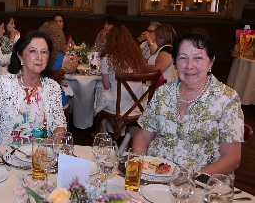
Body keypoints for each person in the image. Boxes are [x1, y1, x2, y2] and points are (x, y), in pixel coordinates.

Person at [133, 29, 244, 175]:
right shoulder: (163, 93)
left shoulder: (227, 99)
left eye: (198, 58)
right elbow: (142, 137)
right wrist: (140, 166)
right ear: (175, 62)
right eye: (183, 58)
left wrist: (193, 181)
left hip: (200, 184)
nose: (189, 65)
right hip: (155, 177)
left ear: (211, 62)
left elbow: (231, 158)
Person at [0, 30, 67, 147]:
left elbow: (60, 124)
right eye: (33, 51)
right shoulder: (4, 84)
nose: (39, 57)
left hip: (40, 155)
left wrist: (55, 138)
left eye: (44, 52)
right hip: (5, 155)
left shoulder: (52, 87)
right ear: (20, 56)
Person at [94, 25, 147, 133]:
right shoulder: (136, 56)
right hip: (137, 104)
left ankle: (103, 131)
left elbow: (106, 86)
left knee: (98, 89)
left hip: (118, 106)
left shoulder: (107, 58)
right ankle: (125, 131)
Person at [38, 21, 79, 106]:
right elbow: (72, 69)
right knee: (71, 91)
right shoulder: (62, 57)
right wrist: (75, 60)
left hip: (39, 96)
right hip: (56, 99)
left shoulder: (37, 55)